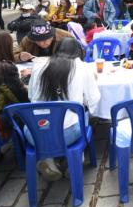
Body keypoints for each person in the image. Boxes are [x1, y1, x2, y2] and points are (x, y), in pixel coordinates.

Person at [26, 38, 100, 181]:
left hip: (33, 133)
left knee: (46, 123)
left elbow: (31, 96)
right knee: (81, 115)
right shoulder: (83, 67)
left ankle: (48, 158)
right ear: (79, 52)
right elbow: (93, 100)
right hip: (67, 133)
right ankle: (74, 159)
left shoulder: (39, 65)